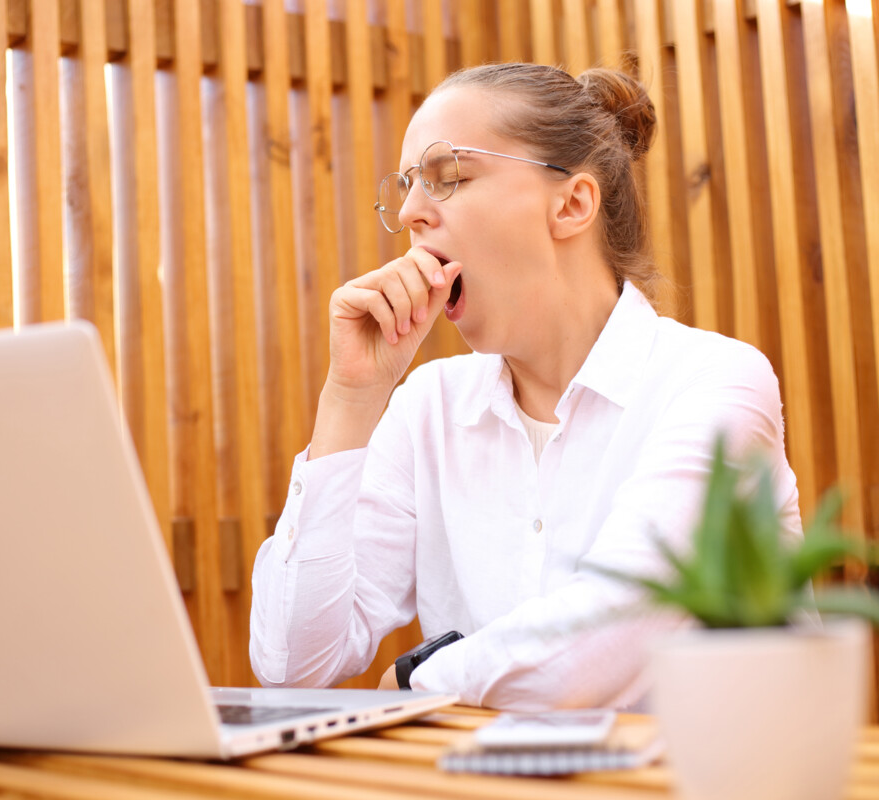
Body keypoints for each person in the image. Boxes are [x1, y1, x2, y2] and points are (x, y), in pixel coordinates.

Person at [248, 62, 802, 710]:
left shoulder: (715, 384)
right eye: (404, 187)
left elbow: (605, 639)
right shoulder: (427, 408)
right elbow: (291, 664)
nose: (407, 213)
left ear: (571, 204)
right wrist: (350, 400)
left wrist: (415, 682)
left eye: (445, 175)